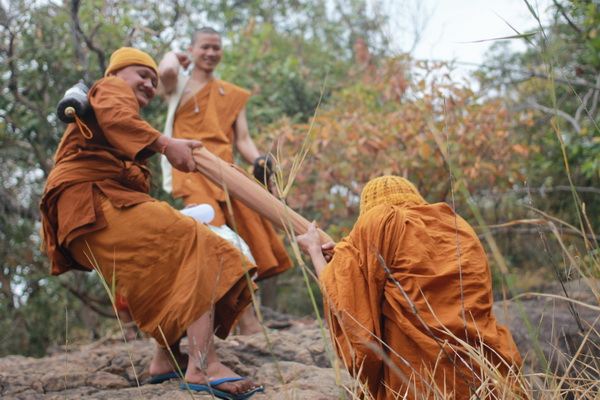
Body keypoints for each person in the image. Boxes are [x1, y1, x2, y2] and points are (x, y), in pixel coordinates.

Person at [40, 47, 263, 399]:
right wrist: (165, 142)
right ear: (117, 72)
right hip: (92, 204)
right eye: (141, 75)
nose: (147, 84)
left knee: (158, 271)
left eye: (153, 80)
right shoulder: (111, 89)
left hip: (83, 218)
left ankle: (167, 357)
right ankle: (203, 366)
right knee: (199, 241)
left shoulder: (114, 119)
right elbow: (116, 116)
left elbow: (117, 130)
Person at [296, 176, 522, 399]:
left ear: (367, 206)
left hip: (423, 383)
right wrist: (350, 258)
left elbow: (347, 306)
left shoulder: (379, 220)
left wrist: (315, 251)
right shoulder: (457, 225)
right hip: (488, 376)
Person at [158, 27, 292, 334]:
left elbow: (242, 140)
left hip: (226, 170)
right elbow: (165, 70)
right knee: (216, 239)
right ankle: (235, 323)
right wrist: (174, 57)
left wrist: (261, 164)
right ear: (191, 50)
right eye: (204, 47)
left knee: (244, 243)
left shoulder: (231, 94)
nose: (210, 53)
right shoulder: (177, 85)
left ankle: (247, 322)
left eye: (216, 48)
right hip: (192, 169)